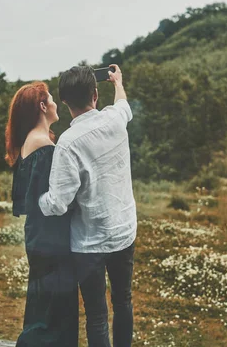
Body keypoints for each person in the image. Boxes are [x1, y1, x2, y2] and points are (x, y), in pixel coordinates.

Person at [39, 64, 136, 347]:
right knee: (124, 301)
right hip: (123, 231)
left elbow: (57, 203)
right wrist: (117, 82)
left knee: (96, 315)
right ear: (95, 94)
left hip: (89, 243)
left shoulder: (67, 144)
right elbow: (123, 104)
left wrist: (37, 201)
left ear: (65, 101)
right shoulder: (115, 120)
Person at [4, 81, 79, 347]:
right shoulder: (44, 147)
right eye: (51, 98)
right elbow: (59, 198)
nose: (56, 103)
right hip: (53, 239)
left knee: (42, 306)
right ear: (42, 105)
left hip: (39, 236)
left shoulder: (30, 142)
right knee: (57, 313)